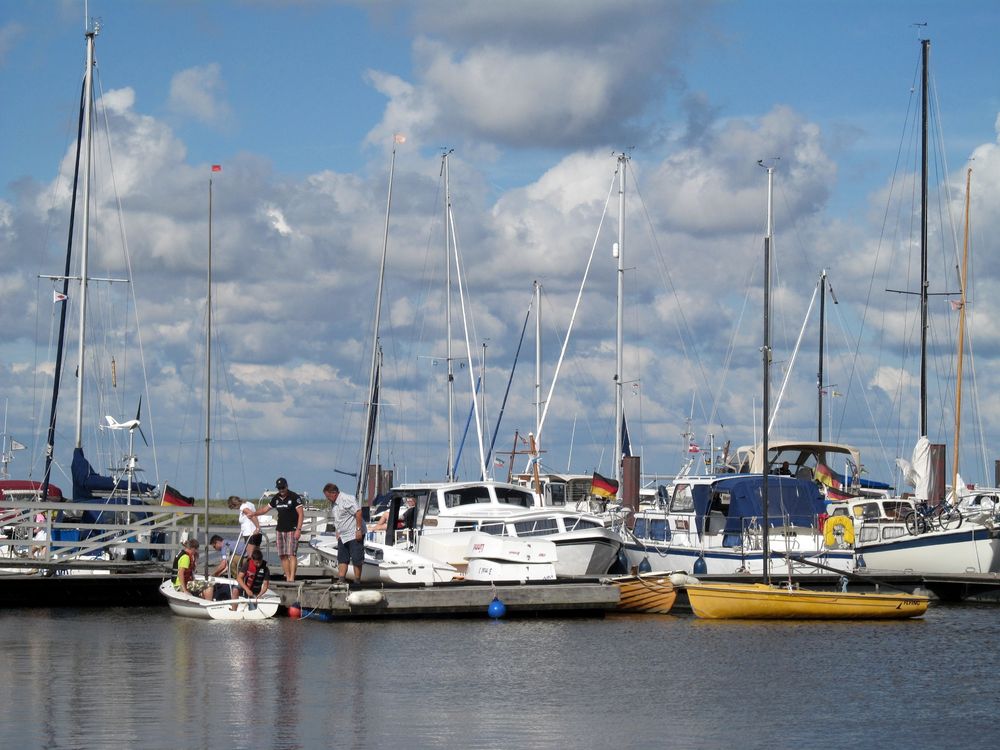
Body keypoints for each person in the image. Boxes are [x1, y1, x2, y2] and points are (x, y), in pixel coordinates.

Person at [253, 477, 304, 582]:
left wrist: (298, 529)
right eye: (279, 488)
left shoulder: (294, 497)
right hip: (280, 529)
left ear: (287, 486)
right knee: (282, 555)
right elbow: (265, 509)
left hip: (292, 529)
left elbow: (301, 514)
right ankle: (287, 576)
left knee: (291, 554)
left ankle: (291, 578)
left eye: (283, 488)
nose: (281, 490)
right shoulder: (276, 498)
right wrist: (254, 513)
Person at [324, 482, 364, 582]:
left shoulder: (346, 499)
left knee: (356, 559)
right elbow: (338, 518)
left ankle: (357, 581)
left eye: (328, 496)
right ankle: (341, 579)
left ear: (334, 493)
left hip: (353, 533)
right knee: (342, 558)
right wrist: (337, 531)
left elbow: (358, 512)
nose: (327, 498)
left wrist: (358, 530)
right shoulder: (333, 503)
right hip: (343, 535)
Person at [228, 495, 261, 563]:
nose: (235, 509)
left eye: (233, 507)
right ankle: (259, 571)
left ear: (234, 504)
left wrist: (257, 528)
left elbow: (252, 516)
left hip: (250, 534)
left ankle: (251, 572)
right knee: (257, 556)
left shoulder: (243, 507)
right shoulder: (249, 503)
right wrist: (258, 529)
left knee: (251, 557)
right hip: (256, 534)